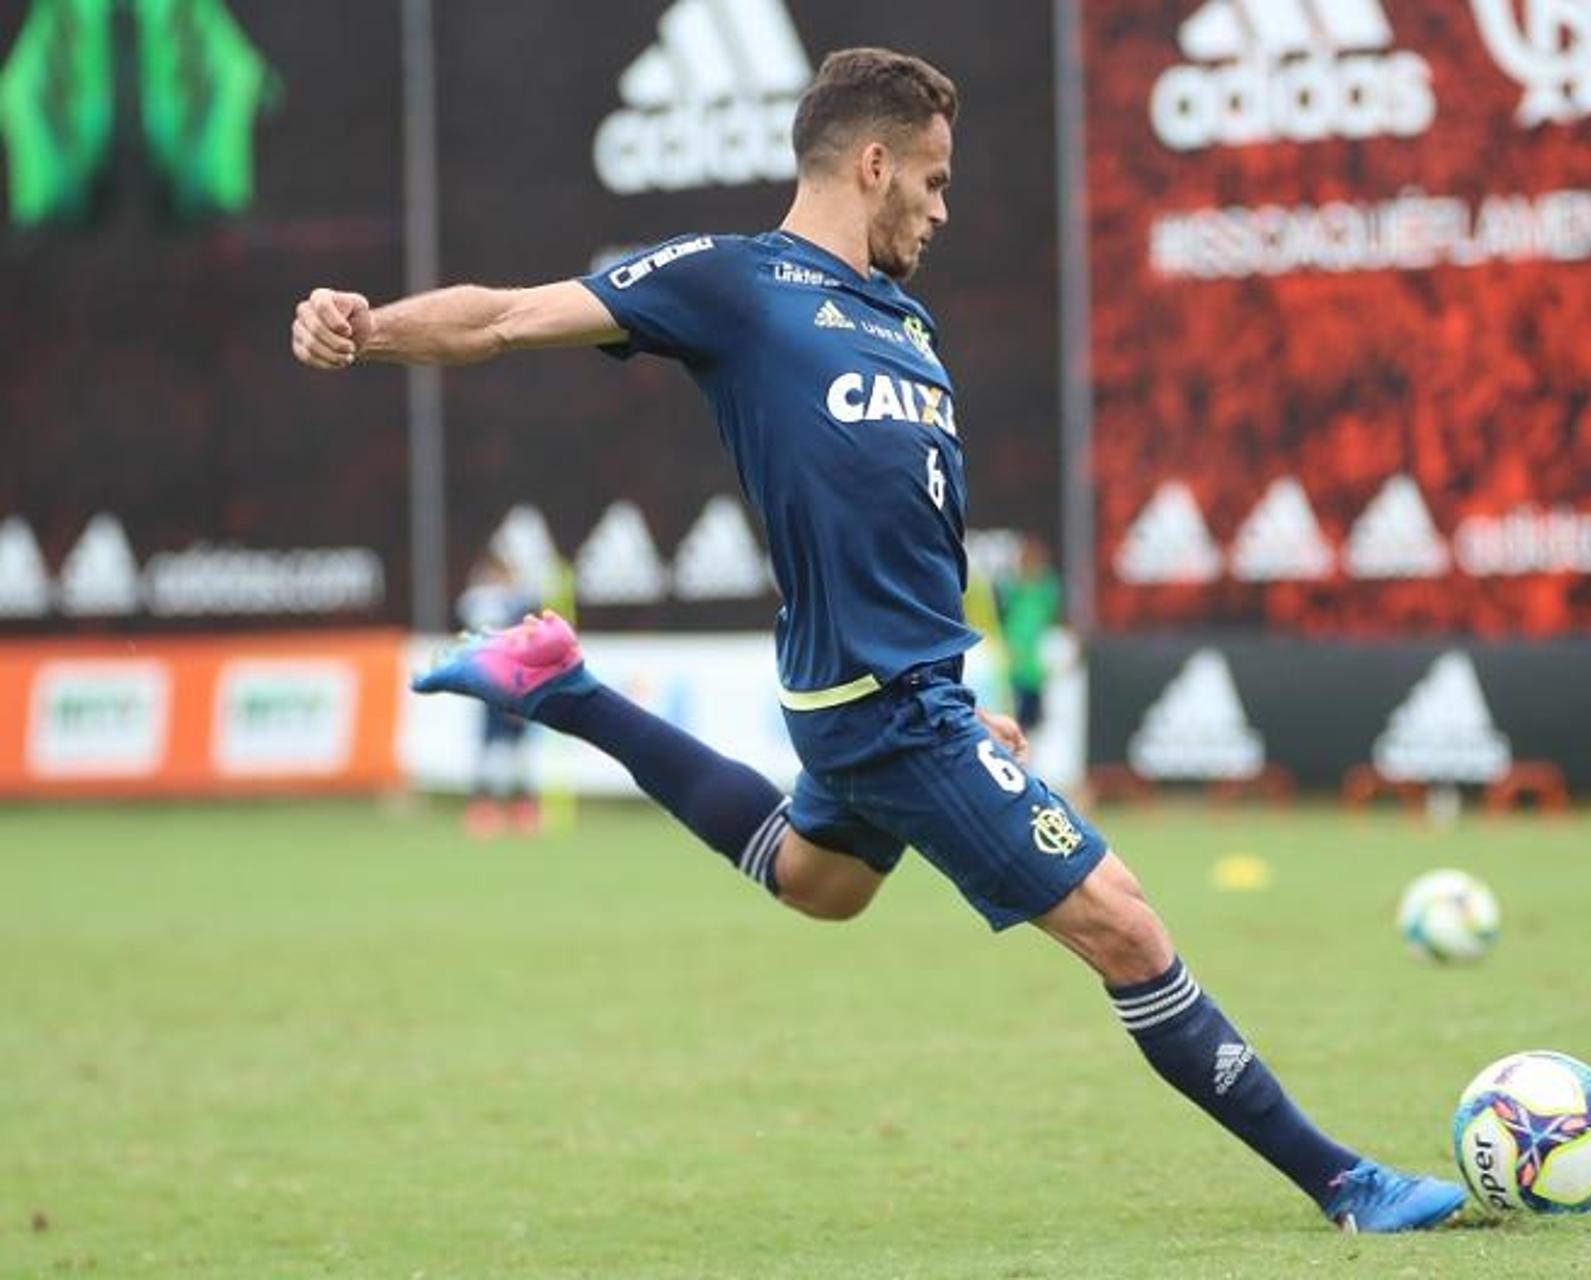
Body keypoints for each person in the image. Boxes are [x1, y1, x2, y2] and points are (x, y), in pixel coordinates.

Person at [288, 47, 1463, 1233]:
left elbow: (904, 534)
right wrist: (367, 326)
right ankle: (1345, 1181)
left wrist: (961, 703)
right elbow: (501, 318)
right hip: (880, 705)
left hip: (899, 699)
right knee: (1125, 922)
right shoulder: (735, 284)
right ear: (873, 162)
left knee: (820, 882)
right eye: (935, 181)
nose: (943, 209)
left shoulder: (904, 322)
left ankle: (562, 687)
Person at [455, 549, 543, 837]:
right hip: (507, 679)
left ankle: (511, 808)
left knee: (506, 746)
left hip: (494, 678)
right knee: (502, 745)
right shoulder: (511, 601)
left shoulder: (476, 601)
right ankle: (497, 808)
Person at [996, 533, 1063, 731]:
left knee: (1032, 723)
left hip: (1035, 669)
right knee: (1010, 719)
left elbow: (1053, 620)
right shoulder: (1011, 586)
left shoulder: (1048, 588)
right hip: (1011, 665)